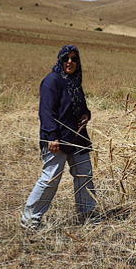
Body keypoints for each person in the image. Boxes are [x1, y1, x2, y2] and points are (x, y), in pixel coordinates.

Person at [21, 44, 97, 230]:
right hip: (57, 139)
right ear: (60, 60)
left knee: (84, 175)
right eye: (66, 59)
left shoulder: (74, 81)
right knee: (51, 179)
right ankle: (29, 220)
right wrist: (52, 137)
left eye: (74, 59)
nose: (70, 62)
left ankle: (87, 214)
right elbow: (46, 112)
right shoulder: (51, 81)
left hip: (78, 138)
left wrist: (86, 115)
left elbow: (82, 106)